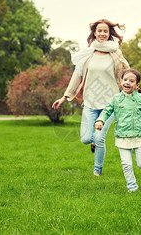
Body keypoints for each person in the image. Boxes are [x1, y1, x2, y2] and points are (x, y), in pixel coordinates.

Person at [52, 19, 129, 176]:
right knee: (86, 138)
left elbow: (127, 75)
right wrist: (64, 97)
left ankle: (97, 171)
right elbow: (77, 76)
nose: (102, 33)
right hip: (90, 103)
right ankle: (93, 142)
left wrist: (132, 93)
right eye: (99, 31)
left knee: (100, 137)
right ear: (94, 33)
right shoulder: (88, 54)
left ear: (109, 34)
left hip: (110, 105)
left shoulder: (116, 54)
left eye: (105, 31)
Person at [95, 69, 141, 192]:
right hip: (122, 136)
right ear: (120, 82)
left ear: (137, 85)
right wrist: (100, 121)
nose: (127, 83)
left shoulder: (140, 99)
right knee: (126, 164)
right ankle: (132, 186)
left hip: (138, 136)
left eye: (131, 81)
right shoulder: (116, 99)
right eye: (125, 80)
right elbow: (107, 111)